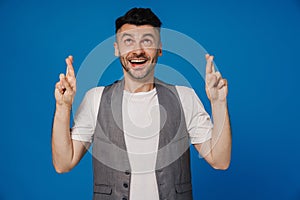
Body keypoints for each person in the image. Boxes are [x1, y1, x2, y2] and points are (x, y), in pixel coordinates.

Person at [52, 7, 231, 200]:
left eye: (147, 41)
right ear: (116, 49)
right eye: (128, 41)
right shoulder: (95, 99)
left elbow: (220, 161)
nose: (137, 50)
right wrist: (63, 107)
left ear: (159, 48)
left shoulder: (184, 97)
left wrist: (219, 102)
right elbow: (63, 164)